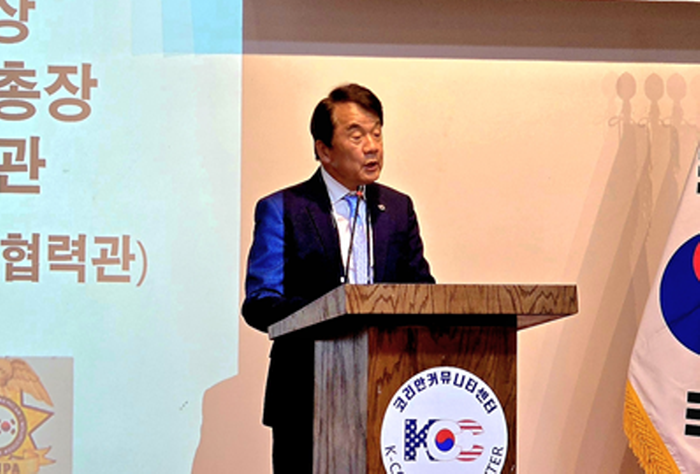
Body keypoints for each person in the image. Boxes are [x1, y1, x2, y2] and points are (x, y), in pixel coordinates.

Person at [242, 83, 434, 472]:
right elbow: (261, 303)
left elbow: (423, 293)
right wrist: (335, 311)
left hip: (390, 392)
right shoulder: (283, 209)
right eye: (356, 135)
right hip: (305, 395)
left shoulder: (398, 209)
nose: (372, 147)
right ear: (324, 150)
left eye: (377, 133)